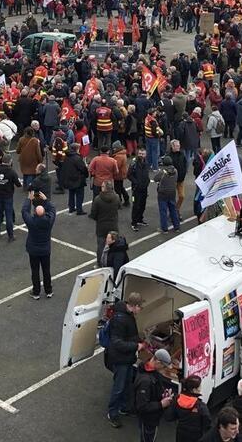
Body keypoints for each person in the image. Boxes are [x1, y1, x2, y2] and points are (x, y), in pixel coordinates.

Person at [106, 292, 143, 428]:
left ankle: (123, 407)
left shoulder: (126, 315)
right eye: (140, 307)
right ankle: (112, 413)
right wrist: (136, 345)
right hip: (120, 359)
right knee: (119, 387)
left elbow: (129, 335)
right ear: (134, 306)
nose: (141, 309)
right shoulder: (121, 319)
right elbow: (117, 343)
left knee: (127, 384)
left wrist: (138, 342)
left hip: (125, 358)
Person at [133, 348, 174, 442]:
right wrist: (161, 404)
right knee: (148, 438)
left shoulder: (150, 370)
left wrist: (163, 393)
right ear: (158, 362)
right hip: (148, 419)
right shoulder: (145, 382)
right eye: (163, 366)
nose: (164, 369)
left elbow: (155, 388)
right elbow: (142, 406)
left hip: (152, 416)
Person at [22, 190, 57, 299]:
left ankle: (36, 292)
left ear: (35, 213)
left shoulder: (32, 222)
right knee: (46, 270)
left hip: (33, 250)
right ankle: (48, 290)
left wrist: (29, 200)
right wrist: (46, 200)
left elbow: (24, 211)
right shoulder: (49, 221)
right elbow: (53, 210)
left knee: (35, 271)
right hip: (45, 249)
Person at [165, 374, 211, 442]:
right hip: (196, 436)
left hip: (181, 435)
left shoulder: (177, 399)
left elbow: (169, 417)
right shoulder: (201, 406)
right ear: (194, 390)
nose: (201, 388)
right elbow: (207, 424)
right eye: (199, 386)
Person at [0, 153, 21, 241]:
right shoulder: (11, 172)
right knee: (9, 216)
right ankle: (10, 236)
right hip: (8, 196)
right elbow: (18, 184)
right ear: (10, 161)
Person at [90, 181, 121, 260]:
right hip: (113, 225)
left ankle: (100, 263)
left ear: (104, 188)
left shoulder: (97, 199)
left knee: (101, 247)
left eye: (102, 186)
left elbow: (93, 214)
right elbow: (118, 206)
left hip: (101, 226)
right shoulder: (116, 197)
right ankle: (114, 261)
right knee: (114, 245)